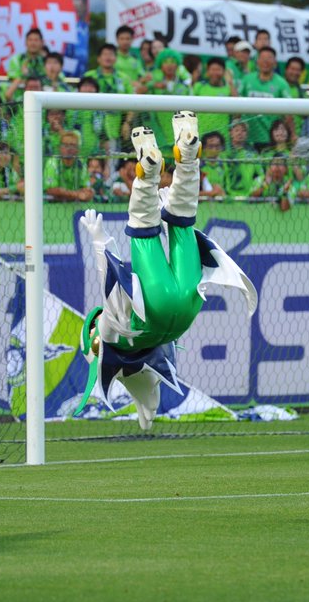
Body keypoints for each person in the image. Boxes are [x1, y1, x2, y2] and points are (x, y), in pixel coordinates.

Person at [78, 113, 257, 430]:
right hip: (156, 306)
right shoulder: (110, 331)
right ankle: (148, 173)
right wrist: (98, 241)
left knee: (182, 220)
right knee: (144, 230)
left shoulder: (135, 354)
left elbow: (145, 391)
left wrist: (143, 408)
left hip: (185, 311)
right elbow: (108, 279)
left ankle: (186, 158)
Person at [240, 46, 293, 150]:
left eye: (269, 58)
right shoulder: (247, 80)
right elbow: (237, 106)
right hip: (247, 139)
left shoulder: (282, 84)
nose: (265, 61)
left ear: (275, 63)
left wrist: (292, 134)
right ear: (257, 61)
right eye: (263, 58)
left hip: (272, 139)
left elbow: (289, 113)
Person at [43, 129, 92, 202]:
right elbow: (51, 190)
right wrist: (76, 194)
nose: (68, 149)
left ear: (78, 149)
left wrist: (87, 193)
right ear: (59, 148)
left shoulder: (81, 163)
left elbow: (87, 189)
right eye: (65, 145)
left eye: (72, 145)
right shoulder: (52, 163)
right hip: (54, 204)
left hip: (75, 205)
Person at [3, 27, 47, 101]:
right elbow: (13, 81)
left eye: (36, 40)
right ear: (25, 42)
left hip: (43, 100)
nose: (33, 43)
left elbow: (53, 80)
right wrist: (23, 75)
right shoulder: (16, 59)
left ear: (42, 42)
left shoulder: (46, 61)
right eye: (30, 40)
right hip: (19, 100)